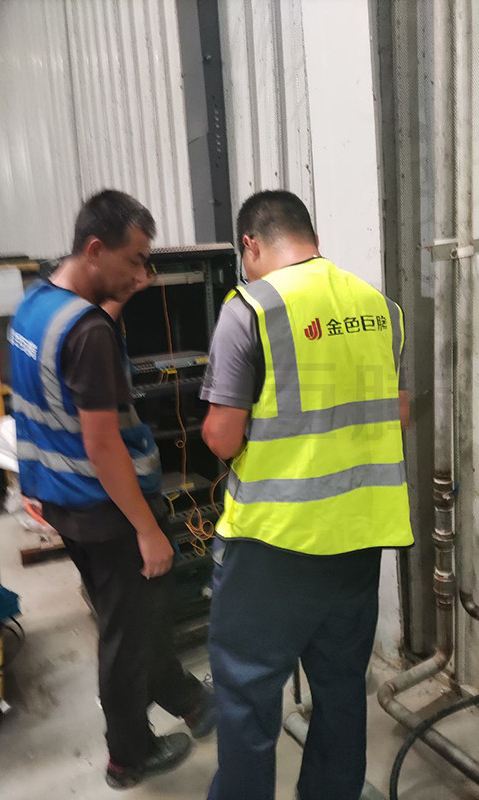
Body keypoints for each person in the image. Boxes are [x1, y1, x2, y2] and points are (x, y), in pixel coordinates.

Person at [200, 190, 413, 800]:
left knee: (247, 698)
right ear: (311, 237)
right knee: (342, 692)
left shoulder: (251, 308)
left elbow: (221, 436)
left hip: (274, 545)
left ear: (251, 245)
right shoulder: (381, 308)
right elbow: (397, 414)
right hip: (359, 541)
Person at [9, 190, 215, 790]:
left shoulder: (38, 305)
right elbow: (102, 445)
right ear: (96, 249)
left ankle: (189, 701)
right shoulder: (89, 334)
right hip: (110, 508)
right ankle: (129, 755)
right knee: (127, 637)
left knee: (139, 617)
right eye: (135, 260)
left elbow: (63, 379)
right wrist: (148, 530)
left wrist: (119, 296)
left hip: (64, 499)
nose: (143, 273)